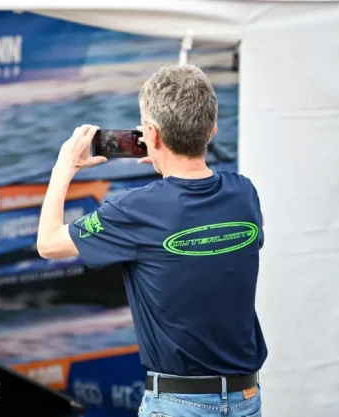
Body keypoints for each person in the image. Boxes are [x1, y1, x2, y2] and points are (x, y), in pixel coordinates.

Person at [36, 64, 266, 417]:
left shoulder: (136, 208)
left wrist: (63, 168)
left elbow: (48, 243)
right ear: (212, 130)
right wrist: (167, 163)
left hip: (177, 405)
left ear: (152, 135)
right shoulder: (244, 194)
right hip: (246, 398)